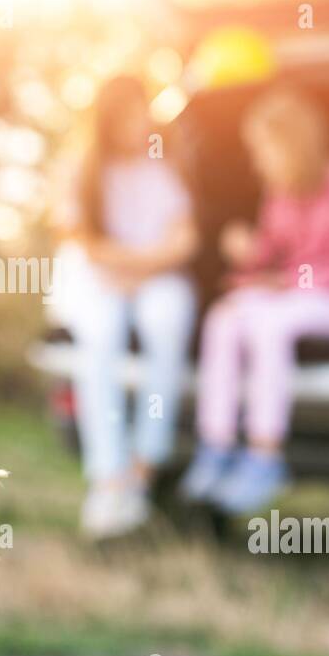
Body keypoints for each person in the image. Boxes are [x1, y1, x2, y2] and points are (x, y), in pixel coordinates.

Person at [181, 88, 329, 513]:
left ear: (292, 144)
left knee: (267, 324)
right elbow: (271, 251)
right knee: (225, 318)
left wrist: (277, 284)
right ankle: (215, 445)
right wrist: (249, 255)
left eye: (263, 149)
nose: (258, 161)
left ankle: (264, 455)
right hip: (287, 296)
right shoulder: (281, 193)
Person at [62, 75, 198, 538]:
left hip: (153, 278)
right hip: (98, 280)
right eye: (127, 116)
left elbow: (184, 238)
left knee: (167, 318)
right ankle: (108, 477)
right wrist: (126, 268)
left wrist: (141, 268)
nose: (137, 124)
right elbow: (83, 241)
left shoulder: (163, 164)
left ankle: (143, 469)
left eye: (142, 113)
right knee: (101, 334)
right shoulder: (84, 168)